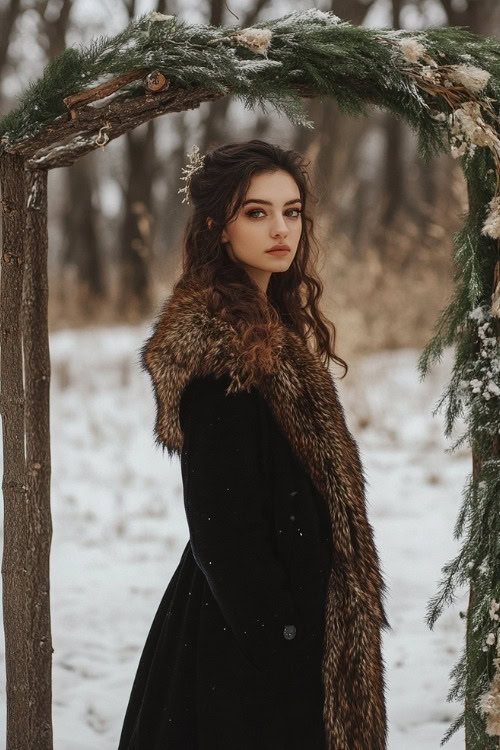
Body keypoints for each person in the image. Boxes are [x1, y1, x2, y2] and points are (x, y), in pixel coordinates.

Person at [117, 139, 391, 750]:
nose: (280, 229)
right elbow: (223, 527)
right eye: (256, 212)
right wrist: (286, 644)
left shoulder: (272, 329)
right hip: (250, 644)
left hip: (284, 622)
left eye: (291, 212)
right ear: (218, 225)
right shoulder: (223, 348)